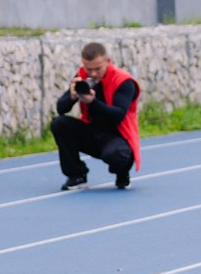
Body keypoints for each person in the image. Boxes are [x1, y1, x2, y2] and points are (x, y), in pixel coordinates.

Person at [52, 40, 139, 191]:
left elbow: (118, 115)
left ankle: (122, 173)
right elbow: (61, 108)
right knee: (59, 123)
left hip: (117, 136)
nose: (92, 74)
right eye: (88, 69)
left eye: (98, 69)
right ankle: (76, 176)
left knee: (117, 155)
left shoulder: (123, 81)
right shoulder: (83, 76)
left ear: (107, 61)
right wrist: (72, 96)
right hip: (91, 131)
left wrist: (93, 102)